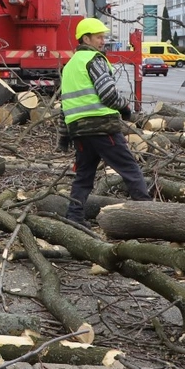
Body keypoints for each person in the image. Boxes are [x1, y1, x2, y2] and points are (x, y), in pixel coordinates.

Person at [57, 17, 152, 225]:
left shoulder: (70, 65)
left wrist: (63, 138)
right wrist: (125, 107)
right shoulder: (94, 60)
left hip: (79, 131)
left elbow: (64, 105)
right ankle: (149, 213)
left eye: (103, 37)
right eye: (99, 37)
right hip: (101, 127)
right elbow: (108, 94)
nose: (103, 41)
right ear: (86, 38)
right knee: (130, 168)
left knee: (83, 177)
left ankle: (74, 217)